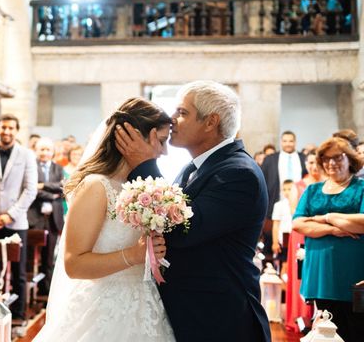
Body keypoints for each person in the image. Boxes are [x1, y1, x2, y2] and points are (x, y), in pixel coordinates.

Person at [117, 81, 270, 342]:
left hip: (220, 319)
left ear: (210, 122)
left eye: (182, 112)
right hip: (194, 313)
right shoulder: (196, 167)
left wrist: (144, 164)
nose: (172, 119)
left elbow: (182, 229)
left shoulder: (238, 173)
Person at [34, 98, 174, 341]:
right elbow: (74, 264)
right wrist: (133, 255)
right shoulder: (96, 186)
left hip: (146, 305)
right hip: (102, 308)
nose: (165, 151)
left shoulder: (145, 187)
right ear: (133, 136)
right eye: (161, 141)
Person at [292, 137, 364, 341]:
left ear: (350, 159)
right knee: (324, 332)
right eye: (326, 158)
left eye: (337, 157)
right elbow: (298, 224)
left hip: (353, 273)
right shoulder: (313, 190)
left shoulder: (361, 188)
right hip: (319, 274)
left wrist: (328, 217)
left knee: (355, 330)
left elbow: (362, 223)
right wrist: (333, 229)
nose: (331, 163)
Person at [0, 114, 37, 322]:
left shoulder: (27, 155)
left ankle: (18, 315)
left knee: (19, 271)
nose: (7, 132)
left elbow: (30, 190)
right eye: (3, 127)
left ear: (16, 131)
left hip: (16, 222)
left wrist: (10, 215)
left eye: (11, 128)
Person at [284, 150, 321, 333]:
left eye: (317, 162)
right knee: (300, 274)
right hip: (300, 233)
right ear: (306, 164)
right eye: (310, 162)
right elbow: (294, 213)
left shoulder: (324, 184)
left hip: (319, 233)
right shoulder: (297, 186)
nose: (314, 166)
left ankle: (316, 316)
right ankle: (298, 316)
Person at [27, 137, 65, 295]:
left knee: (48, 258)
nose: (44, 153)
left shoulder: (58, 169)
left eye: (48, 150)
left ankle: (46, 292)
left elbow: (63, 187)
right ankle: (29, 291)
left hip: (53, 219)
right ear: (36, 151)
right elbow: (31, 189)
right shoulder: (31, 166)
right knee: (30, 257)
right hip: (34, 217)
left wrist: (43, 186)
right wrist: (52, 195)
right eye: (41, 149)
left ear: (52, 152)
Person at [271, 179, 294, 273]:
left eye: (289, 189)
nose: (287, 192)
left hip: (295, 238)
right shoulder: (279, 205)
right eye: (284, 189)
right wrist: (275, 242)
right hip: (284, 240)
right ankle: (284, 287)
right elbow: (275, 225)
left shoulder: (298, 204)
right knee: (284, 265)